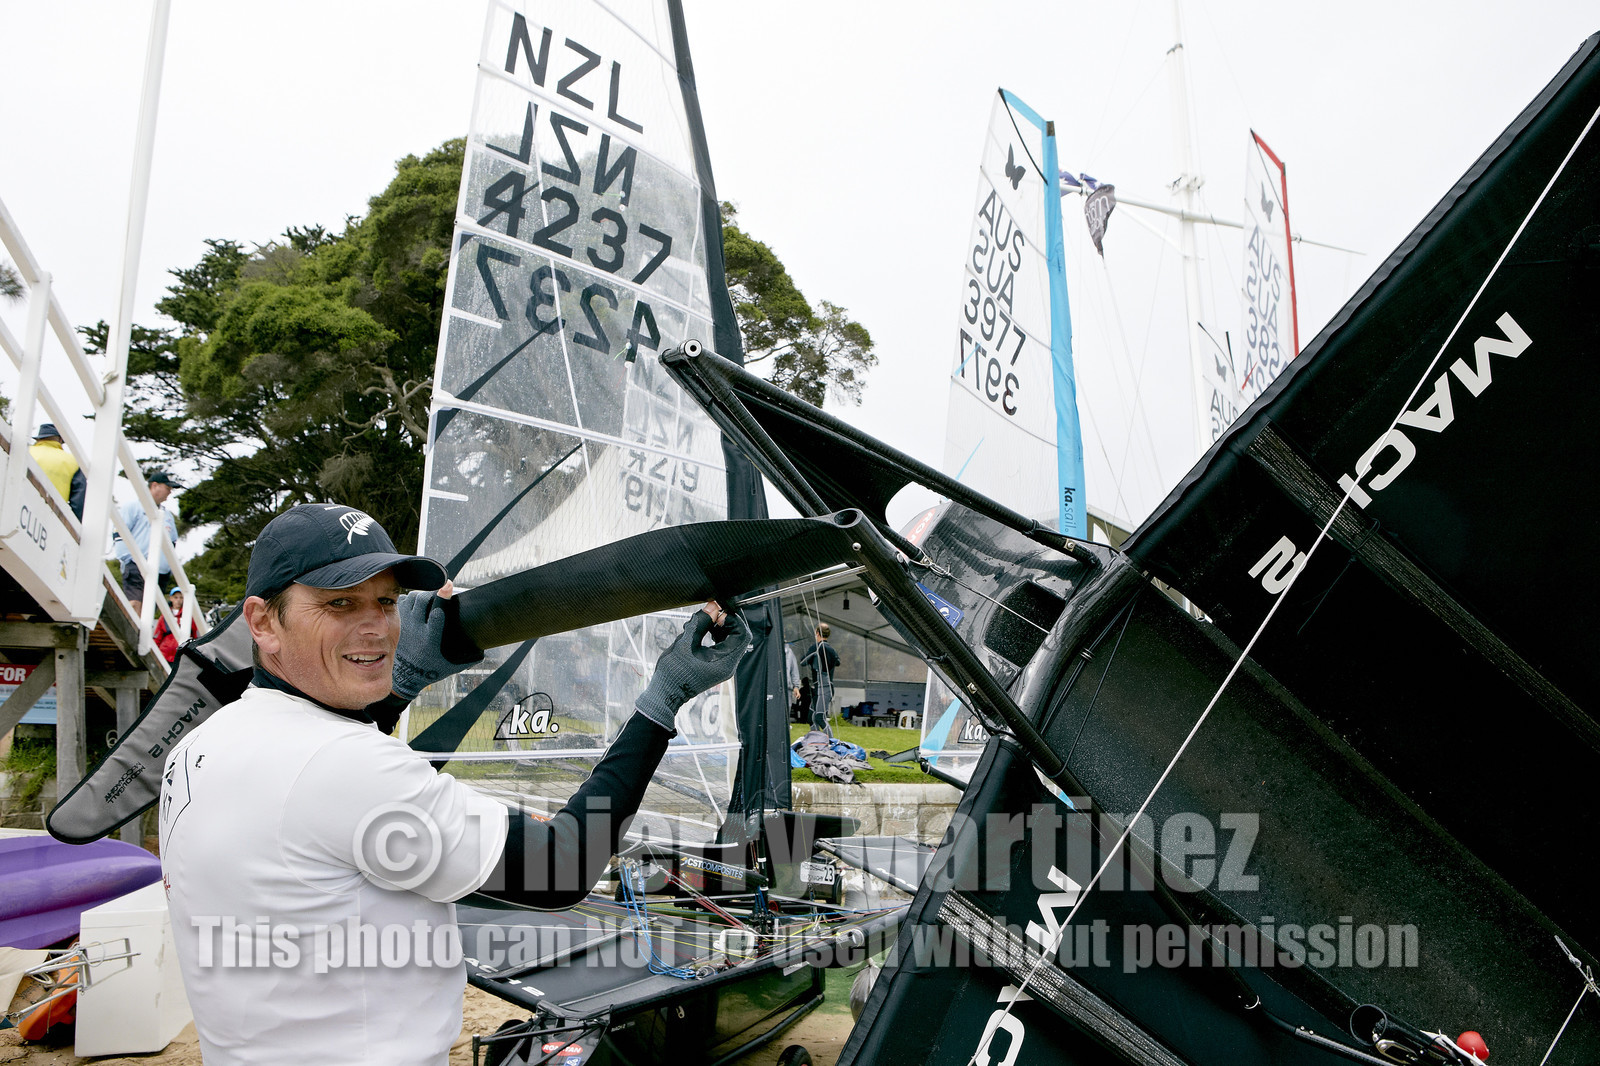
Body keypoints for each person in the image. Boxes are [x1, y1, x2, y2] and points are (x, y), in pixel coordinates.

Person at [158, 502, 748, 1065]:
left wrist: (404, 683)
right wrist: (660, 703)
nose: (376, 629)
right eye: (340, 605)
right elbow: (559, 868)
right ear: (263, 622)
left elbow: (325, 797)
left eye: (385, 603)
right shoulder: (345, 767)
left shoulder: (203, 744)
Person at [113, 470, 179, 610]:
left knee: (148, 611)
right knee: (135, 604)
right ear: (154, 486)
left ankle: (143, 633)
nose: (170, 492)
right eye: (167, 488)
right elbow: (119, 534)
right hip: (136, 565)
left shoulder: (167, 516)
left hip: (160, 572)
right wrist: (128, 560)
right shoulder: (132, 507)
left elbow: (172, 543)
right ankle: (131, 633)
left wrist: (167, 567)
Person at [28, 423, 85, 520]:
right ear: (60, 440)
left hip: (20, 504)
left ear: (39, 439)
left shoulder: (27, 451)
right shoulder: (73, 462)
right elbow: (79, 503)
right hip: (49, 517)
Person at [800, 622, 840, 731]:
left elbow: (802, 662)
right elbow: (838, 662)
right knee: (811, 718)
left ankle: (830, 742)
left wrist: (813, 654)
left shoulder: (816, 647)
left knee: (819, 717)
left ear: (817, 633)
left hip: (824, 687)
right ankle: (817, 742)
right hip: (821, 688)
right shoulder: (832, 650)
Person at [152, 587, 199, 663]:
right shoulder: (164, 616)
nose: (178, 600)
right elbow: (157, 637)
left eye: (181, 597)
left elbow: (195, 636)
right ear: (171, 598)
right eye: (176, 597)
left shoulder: (190, 616)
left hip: (182, 657)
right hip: (165, 656)